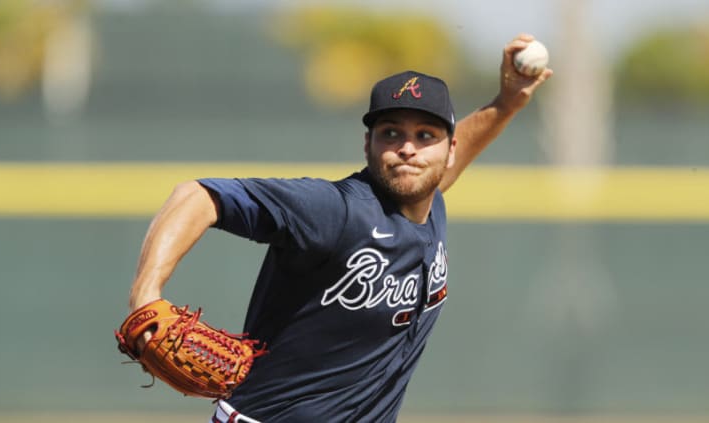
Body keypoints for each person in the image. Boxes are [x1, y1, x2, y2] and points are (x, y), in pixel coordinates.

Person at [126, 34, 552, 422]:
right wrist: (146, 297)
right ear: (368, 144)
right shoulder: (335, 210)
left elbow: (442, 166)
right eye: (391, 133)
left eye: (426, 135)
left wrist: (506, 103)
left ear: (449, 150)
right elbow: (197, 196)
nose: (408, 148)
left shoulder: (430, 200)